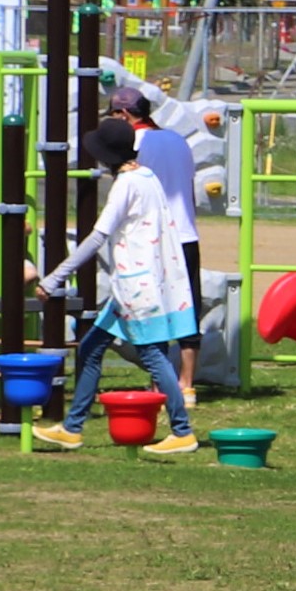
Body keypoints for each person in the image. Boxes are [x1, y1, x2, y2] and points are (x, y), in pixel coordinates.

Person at [32, 118, 197, 456]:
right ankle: (73, 428)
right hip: (138, 284)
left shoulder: (125, 185)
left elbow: (96, 238)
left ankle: (182, 431)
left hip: (137, 287)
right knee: (91, 348)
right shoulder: (147, 176)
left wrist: (55, 277)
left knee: (153, 355)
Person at [111, 81, 206, 405]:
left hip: (153, 237)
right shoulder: (178, 140)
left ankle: (159, 383)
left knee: (157, 307)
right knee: (188, 304)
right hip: (187, 233)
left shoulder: (132, 144)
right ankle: (187, 384)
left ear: (124, 114)